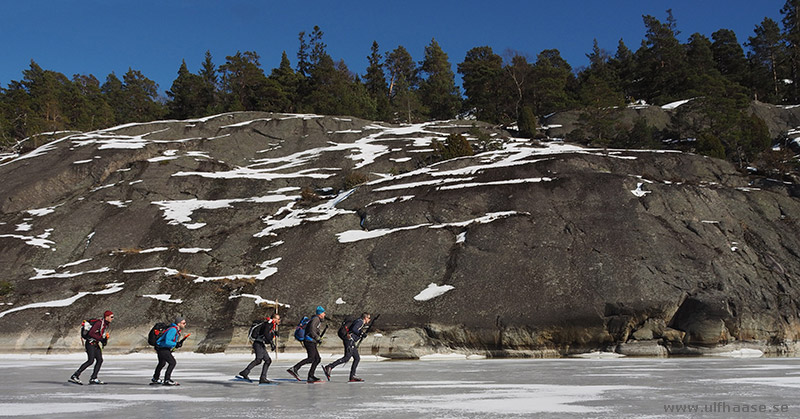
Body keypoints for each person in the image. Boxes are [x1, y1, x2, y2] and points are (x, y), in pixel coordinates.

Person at [69, 310, 114, 385]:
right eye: (111, 317)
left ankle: (94, 378)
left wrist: (104, 340)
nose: (112, 318)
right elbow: (91, 333)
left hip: (95, 344)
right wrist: (101, 339)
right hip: (90, 344)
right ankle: (75, 375)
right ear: (106, 317)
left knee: (99, 360)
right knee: (90, 361)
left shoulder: (105, 324)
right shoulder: (99, 323)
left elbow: (99, 334)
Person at [324, 312, 371, 382]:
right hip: (349, 341)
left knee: (357, 358)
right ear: (365, 318)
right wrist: (361, 333)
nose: (369, 320)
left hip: (351, 341)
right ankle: (330, 366)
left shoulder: (359, 321)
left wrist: (362, 334)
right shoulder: (360, 322)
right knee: (346, 358)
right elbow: (354, 329)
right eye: (369, 318)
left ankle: (352, 376)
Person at [238, 313, 280, 384]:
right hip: (258, 344)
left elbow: (266, 334)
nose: (279, 320)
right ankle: (245, 372)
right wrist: (272, 343)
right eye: (278, 319)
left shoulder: (270, 324)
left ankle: (262, 378)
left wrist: (274, 333)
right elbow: (266, 334)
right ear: (274, 319)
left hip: (260, 344)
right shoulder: (269, 323)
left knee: (268, 360)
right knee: (258, 360)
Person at [287, 306, 326, 383]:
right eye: (323, 312)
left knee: (317, 359)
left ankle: (311, 376)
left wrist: (317, 338)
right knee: (311, 358)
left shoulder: (316, 319)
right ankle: (295, 368)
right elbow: (311, 329)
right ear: (320, 313)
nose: (324, 314)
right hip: (309, 341)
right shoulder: (316, 319)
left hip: (311, 341)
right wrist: (317, 338)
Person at [152, 316, 187, 386]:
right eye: (183, 323)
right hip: (162, 348)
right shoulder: (173, 330)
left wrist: (176, 345)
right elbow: (167, 342)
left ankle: (155, 378)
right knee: (172, 362)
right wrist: (175, 344)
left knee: (162, 363)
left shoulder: (175, 330)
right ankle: (167, 380)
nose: (185, 324)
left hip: (161, 348)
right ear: (178, 323)